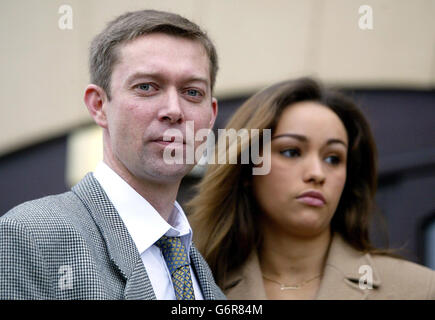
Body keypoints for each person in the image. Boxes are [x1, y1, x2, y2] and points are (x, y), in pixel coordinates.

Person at [0, 9, 225, 300]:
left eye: (192, 92)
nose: (174, 110)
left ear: (211, 116)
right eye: (146, 87)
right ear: (98, 105)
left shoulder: (205, 276)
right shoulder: (28, 237)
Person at [188, 77, 435, 300]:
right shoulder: (195, 288)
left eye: (333, 158)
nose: (317, 174)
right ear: (246, 168)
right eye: (291, 152)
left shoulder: (420, 290)